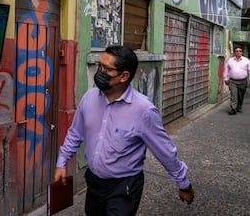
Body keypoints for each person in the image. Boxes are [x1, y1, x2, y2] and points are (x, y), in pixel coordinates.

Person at [54, 46, 194, 216]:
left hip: (124, 188)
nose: (100, 72)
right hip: (94, 184)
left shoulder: (144, 110)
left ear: (124, 76)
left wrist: (183, 184)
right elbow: (75, 133)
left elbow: (165, 151)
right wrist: (62, 162)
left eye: (107, 69)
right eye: (100, 66)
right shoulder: (89, 98)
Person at [223, 46, 250, 115]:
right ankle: (233, 109)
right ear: (234, 52)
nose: (238, 52)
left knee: (241, 95)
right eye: (237, 51)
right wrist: (225, 78)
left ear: (242, 52)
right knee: (233, 95)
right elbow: (226, 70)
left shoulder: (246, 60)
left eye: (240, 51)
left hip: (243, 81)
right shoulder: (230, 60)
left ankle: (239, 107)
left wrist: (249, 79)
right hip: (232, 81)